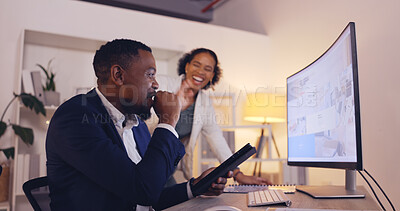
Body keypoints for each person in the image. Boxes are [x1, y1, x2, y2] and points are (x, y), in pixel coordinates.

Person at [46, 39, 231, 211]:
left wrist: (195, 186)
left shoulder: (137, 124)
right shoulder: (76, 118)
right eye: (150, 75)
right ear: (118, 75)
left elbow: (150, 194)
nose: (156, 84)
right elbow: (142, 191)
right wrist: (167, 122)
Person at [149, 48, 271, 186]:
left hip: (166, 168)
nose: (200, 71)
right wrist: (178, 100)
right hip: (143, 159)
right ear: (187, 66)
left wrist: (237, 174)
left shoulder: (205, 104)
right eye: (196, 65)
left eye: (207, 68)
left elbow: (216, 139)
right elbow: (144, 121)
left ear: (212, 75)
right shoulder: (161, 83)